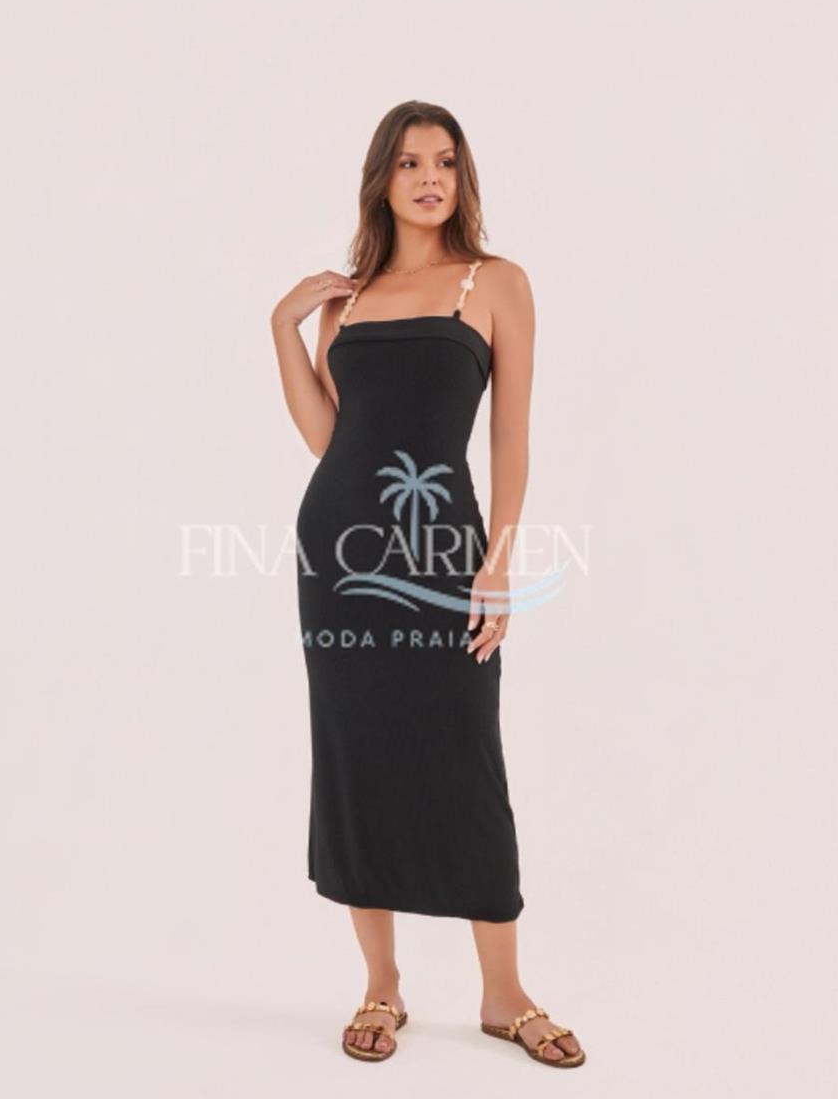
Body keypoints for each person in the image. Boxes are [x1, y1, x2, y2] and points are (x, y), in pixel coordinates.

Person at [271, 101, 585, 1068]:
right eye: (408, 163)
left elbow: (510, 437)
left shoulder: (495, 283)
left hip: (447, 554)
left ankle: (503, 993)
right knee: (355, 757)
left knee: (464, 755)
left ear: (461, 176)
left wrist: (498, 558)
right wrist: (282, 325)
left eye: (443, 162)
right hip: (339, 553)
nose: (427, 179)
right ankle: (381, 985)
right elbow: (330, 439)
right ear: (383, 179)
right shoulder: (349, 298)